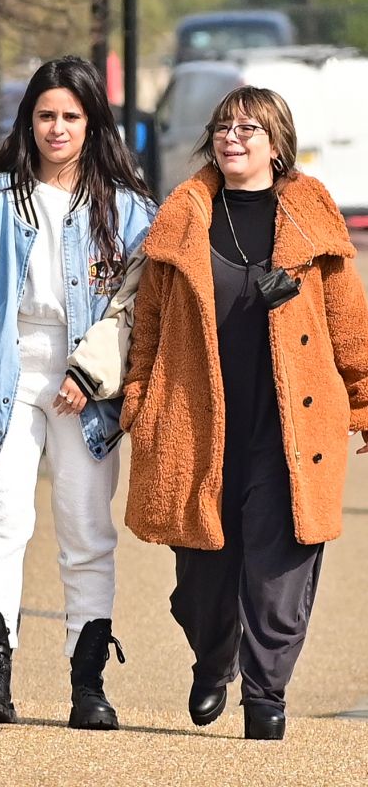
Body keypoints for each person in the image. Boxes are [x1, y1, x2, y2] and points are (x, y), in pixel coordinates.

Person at [0, 55, 156, 730]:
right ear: (29, 122)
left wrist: (89, 371)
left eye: (70, 116)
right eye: (45, 115)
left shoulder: (129, 211)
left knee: (85, 530)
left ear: (91, 123)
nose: (56, 127)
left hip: (87, 385)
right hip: (5, 374)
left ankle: (88, 686)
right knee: (1, 513)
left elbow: (139, 308)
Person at [120, 86, 368, 740]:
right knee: (200, 580)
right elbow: (147, 324)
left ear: (276, 142)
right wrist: (140, 400)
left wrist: (365, 402)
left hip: (289, 429)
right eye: (223, 126)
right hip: (196, 423)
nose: (232, 137)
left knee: (276, 568)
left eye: (249, 127)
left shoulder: (312, 223)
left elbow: (348, 325)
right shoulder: (183, 221)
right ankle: (213, 658)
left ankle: (266, 696)